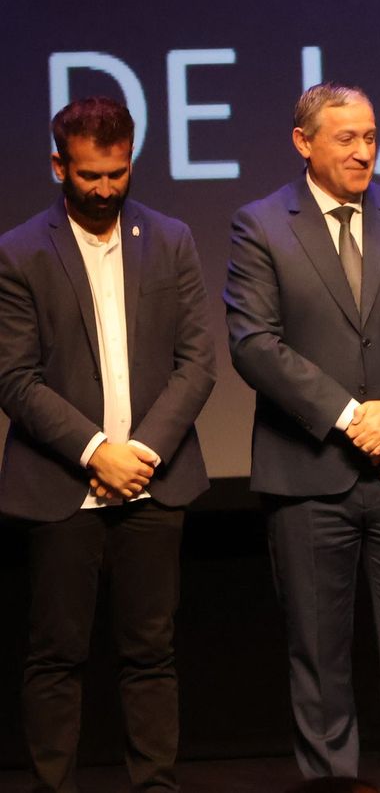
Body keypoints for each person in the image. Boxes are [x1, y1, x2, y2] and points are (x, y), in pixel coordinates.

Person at [225, 83, 380, 792]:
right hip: (308, 475)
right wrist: (349, 416)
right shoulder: (260, 224)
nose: (364, 151)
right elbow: (253, 342)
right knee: (319, 659)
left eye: (370, 136)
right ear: (303, 143)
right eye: (346, 139)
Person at [0, 96, 215, 792]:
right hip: (62, 487)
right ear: (59, 165)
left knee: (151, 653)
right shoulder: (20, 251)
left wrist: (138, 454)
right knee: (56, 655)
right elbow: (14, 377)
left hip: (153, 483)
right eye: (89, 175)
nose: (104, 189)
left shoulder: (171, 239)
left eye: (117, 173)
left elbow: (197, 363)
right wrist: (97, 451)